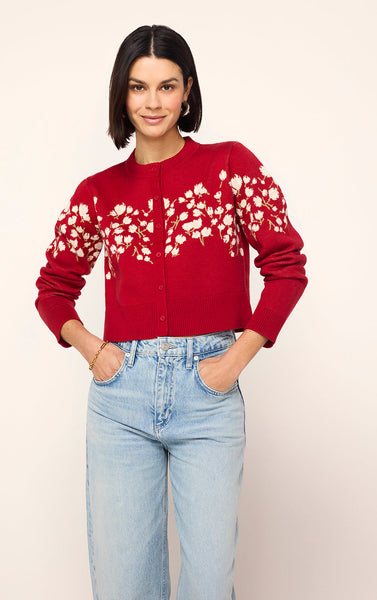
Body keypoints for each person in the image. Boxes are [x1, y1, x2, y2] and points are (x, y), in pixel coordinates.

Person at [35, 24, 308, 600]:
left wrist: (234, 360)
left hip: (208, 393)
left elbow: (286, 266)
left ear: (187, 92)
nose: (152, 102)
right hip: (120, 398)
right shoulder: (98, 192)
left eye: (166, 86)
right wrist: (93, 350)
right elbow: (54, 288)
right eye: (139, 87)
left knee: (208, 583)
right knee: (124, 585)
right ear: (122, 95)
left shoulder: (231, 167)